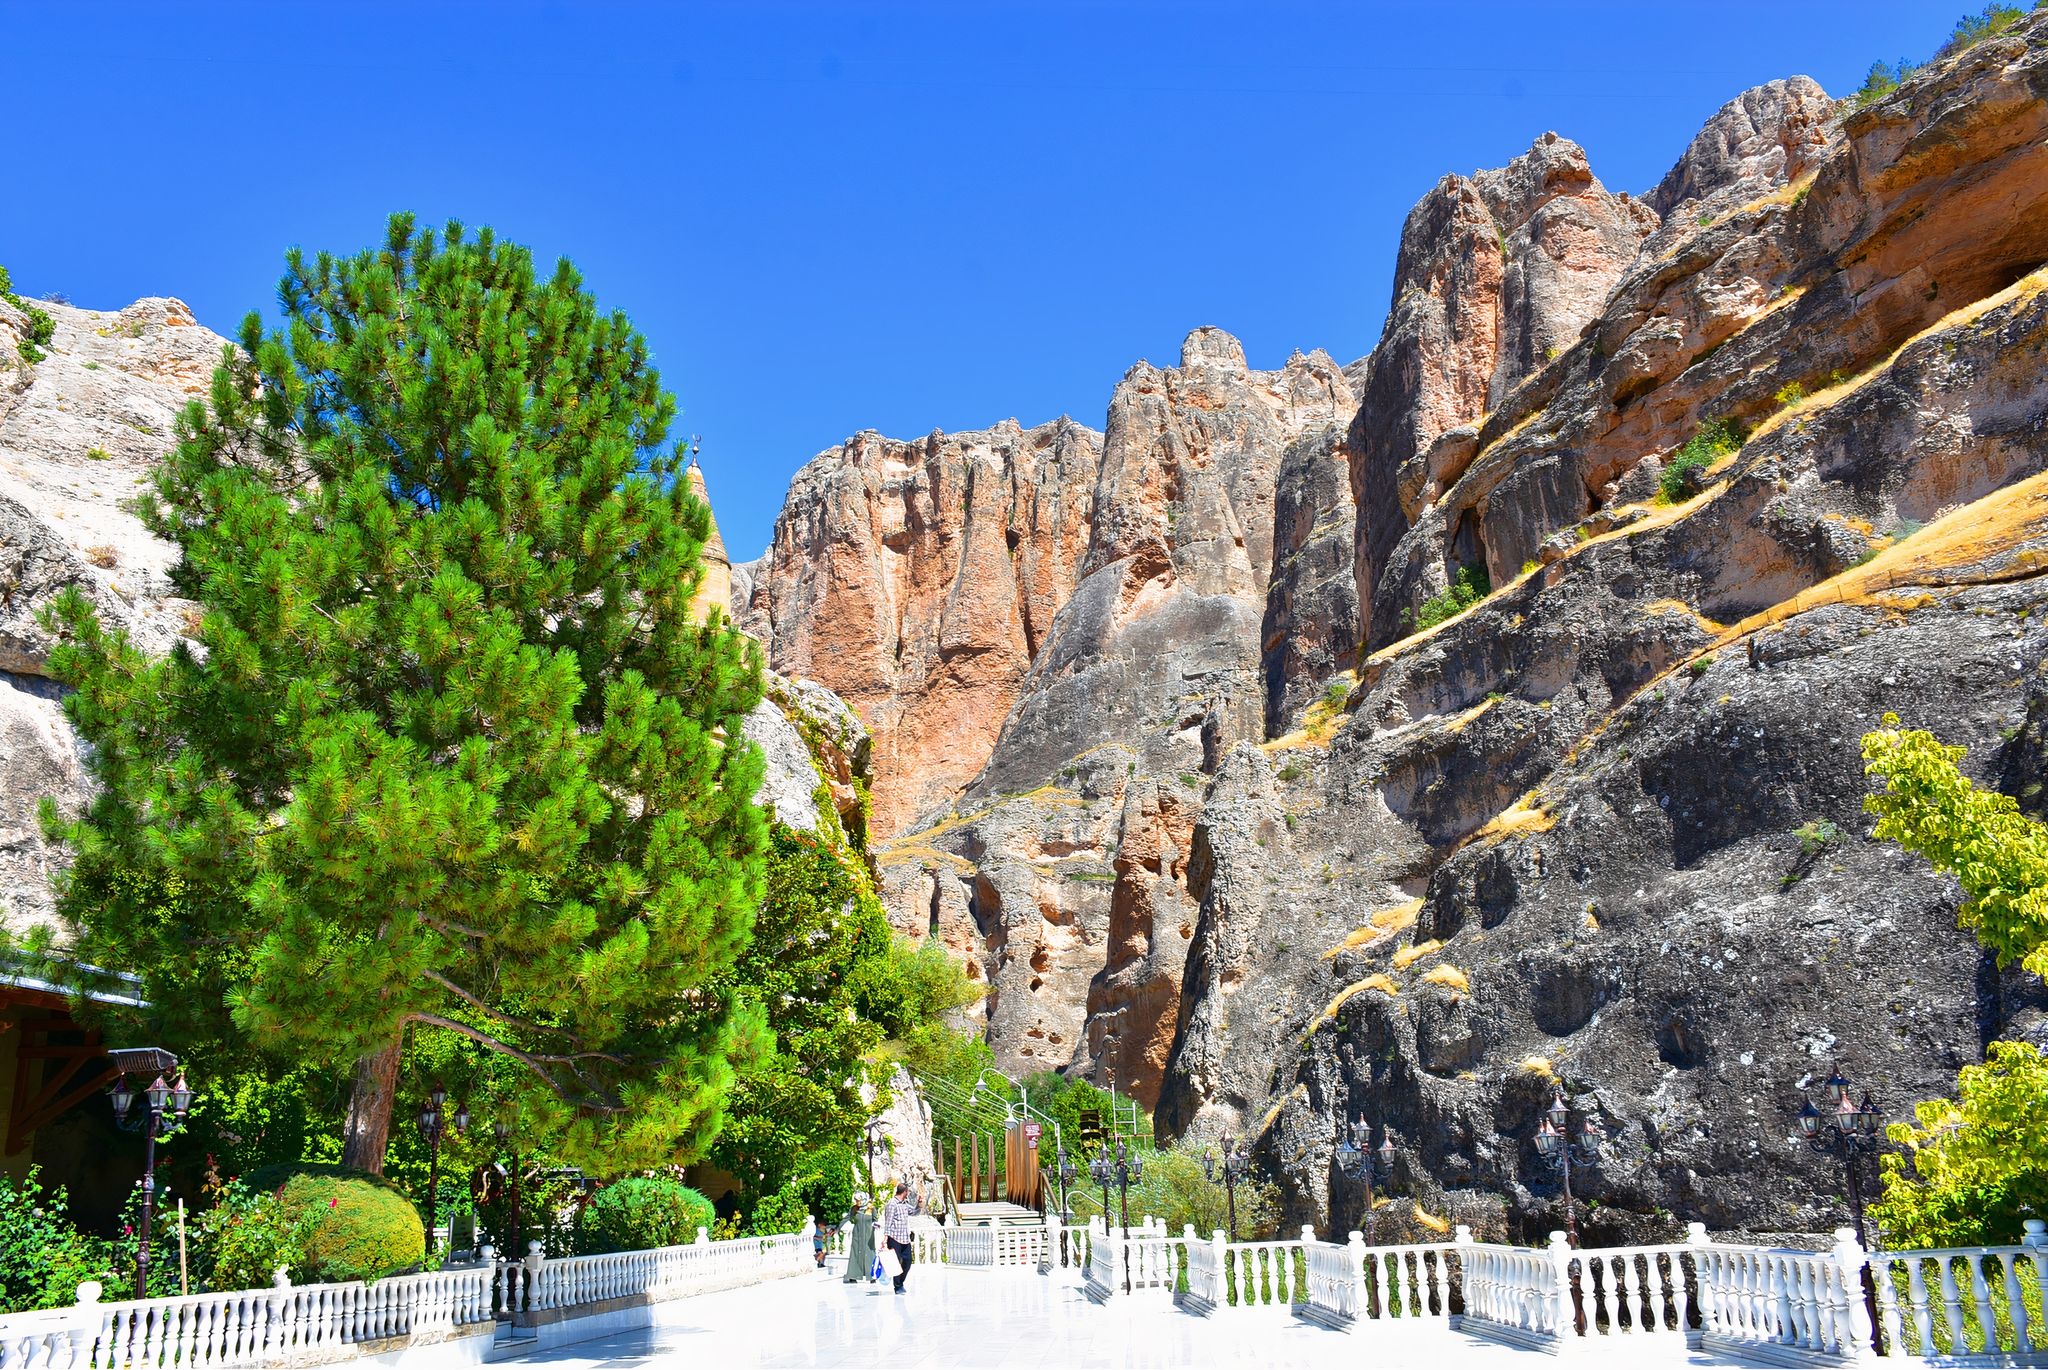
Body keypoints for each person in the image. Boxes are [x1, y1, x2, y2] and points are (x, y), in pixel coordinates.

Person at [881, 1180, 920, 1294]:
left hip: (905, 1238)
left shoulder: (904, 1203)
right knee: (895, 1263)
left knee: (907, 1262)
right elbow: (888, 1222)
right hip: (894, 1238)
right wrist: (885, 1238)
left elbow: (913, 1212)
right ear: (905, 1192)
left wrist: (919, 1204)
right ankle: (897, 1286)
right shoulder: (892, 1204)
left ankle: (901, 1282)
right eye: (907, 1192)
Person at [842, 1194, 877, 1284]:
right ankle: (853, 1275)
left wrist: (876, 1225)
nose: (857, 1202)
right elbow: (847, 1218)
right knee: (856, 1253)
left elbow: (875, 1220)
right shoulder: (855, 1209)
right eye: (856, 1200)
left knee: (869, 1254)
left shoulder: (871, 1208)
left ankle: (871, 1275)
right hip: (857, 1235)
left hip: (868, 1236)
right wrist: (837, 1228)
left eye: (859, 1200)